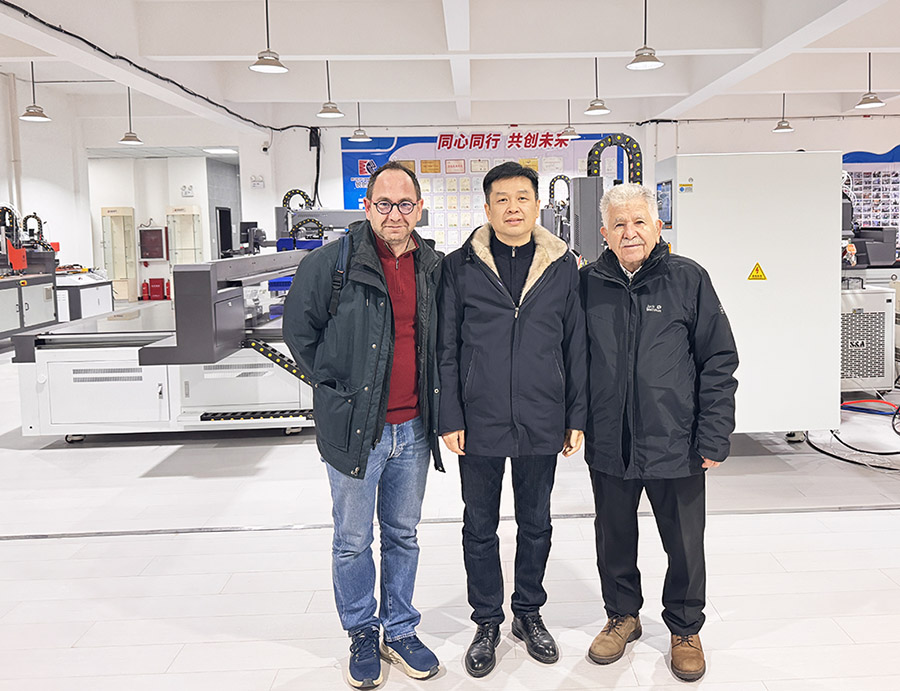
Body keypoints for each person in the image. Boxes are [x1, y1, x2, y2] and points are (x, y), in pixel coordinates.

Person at [283, 161, 443, 689]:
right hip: (355, 428)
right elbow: (300, 334)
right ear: (367, 207)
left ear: (419, 209)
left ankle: (400, 629)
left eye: (405, 204)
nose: (395, 214)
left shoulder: (432, 266)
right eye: (384, 204)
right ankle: (361, 632)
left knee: (403, 534)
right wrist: (337, 392)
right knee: (352, 539)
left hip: (413, 429)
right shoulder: (330, 264)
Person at [580, 183, 738, 682]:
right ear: (604, 232)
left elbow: (718, 360)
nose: (629, 232)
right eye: (619, 224)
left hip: (678, 439)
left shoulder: (688, 279)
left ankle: (685, 628)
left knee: (685, 543)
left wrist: (715, 433)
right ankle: (622, 616)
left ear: (657, 226)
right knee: (613, 536)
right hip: (610, 438)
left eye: (639, 222)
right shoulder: (587, 284)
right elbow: (571, 360)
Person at [437, 161, 587, 678]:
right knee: (479, 526)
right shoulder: (458, 267)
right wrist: (450, 415)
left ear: (538, 205)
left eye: (522, 197)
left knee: (536, 522)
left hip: (543, 413)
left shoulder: (563, 266)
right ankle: (486, 621)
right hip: (478, 417)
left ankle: (528, 613)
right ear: (487, 208)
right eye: (501, 199)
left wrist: (576, 414)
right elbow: (447, 348)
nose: (513, 207)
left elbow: (576, 346)